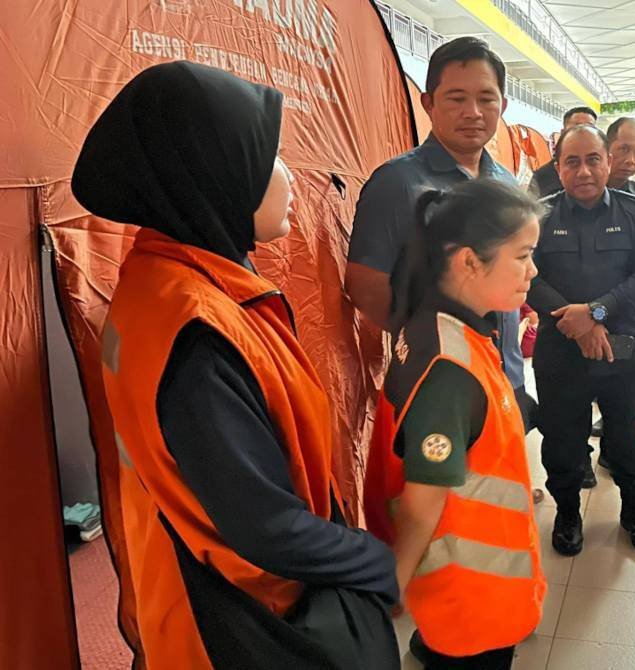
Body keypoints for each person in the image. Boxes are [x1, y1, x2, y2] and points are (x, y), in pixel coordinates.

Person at [71, 62, 399, 670]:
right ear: (213, 172)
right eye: (268, 155)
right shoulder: (197, 333)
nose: (290, 177)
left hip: (187, 581)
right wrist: (383, 566)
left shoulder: (162, 280)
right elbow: (267, 529)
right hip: (241, 623)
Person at [364, 180, 547, 669]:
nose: (533, 271)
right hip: (471, 596)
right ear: (469, 261)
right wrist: (392, 587)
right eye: (523, 255)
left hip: (458, 587)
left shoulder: (432, 326)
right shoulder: (451, 369)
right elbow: (424, 503)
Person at [346, 36, 534, 428]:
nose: (473, 112)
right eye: (456, 98)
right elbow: (365, 283)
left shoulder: (507, 186)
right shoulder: (397, 183)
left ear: (503, 105)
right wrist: (428, 339)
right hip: (437, 381)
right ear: (428, 103)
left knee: (495, 484)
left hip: (504, 376)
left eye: (486, 98)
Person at [529, 125, 635, 556]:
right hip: (560, 348)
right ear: (558, 167)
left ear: (607, 162)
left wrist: (596, 313)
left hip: (622, 345)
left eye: (592, 159)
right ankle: (568, 512)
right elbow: (527, 276)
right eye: (572, 161)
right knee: (563, 437)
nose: (583, 170)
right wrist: (578, 323)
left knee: (628, 435)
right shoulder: (539, 216)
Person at [529, 106, 598, 198]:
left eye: (589, 129)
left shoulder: (602, 172)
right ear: (563, 133)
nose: (583, 134)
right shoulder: (542, 177)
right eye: (577, 128)